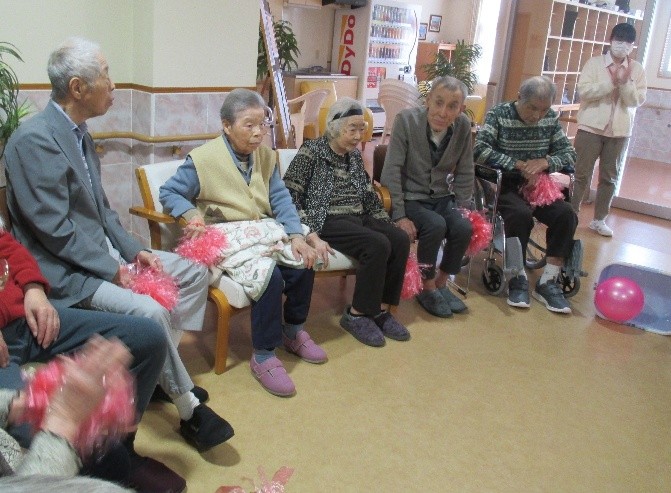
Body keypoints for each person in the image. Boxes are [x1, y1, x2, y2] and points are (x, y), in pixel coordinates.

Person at [2, 37, 233, 455]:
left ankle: (159, 373)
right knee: (150, 311)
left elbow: (103, 210)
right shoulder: (33, 140)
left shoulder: (79, 133)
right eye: (106, 75)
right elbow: (54, 230)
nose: (113, 84)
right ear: (78, 88)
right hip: (65, 270)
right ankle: (189, 408)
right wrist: (114, 271)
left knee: (194, 273)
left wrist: (132, 251)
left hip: (101, 255)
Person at [159, 88, 325, 398]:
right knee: (269, 276)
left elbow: (280, 198)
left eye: (262, 124)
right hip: (228, 238)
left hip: (263, 232)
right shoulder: (204, 159)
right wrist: (191, 215)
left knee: (303, 260)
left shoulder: (265, 156)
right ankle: (263, 355)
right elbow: (170, 192)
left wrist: (296, 235)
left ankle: (293, 330)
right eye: (249, 125)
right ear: (226, 125)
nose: (258, 133)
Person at [0, 221, 181, 491]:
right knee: (68, 439)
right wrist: (60, 417)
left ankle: (121, 450)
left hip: (27, 320)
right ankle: (103, 464)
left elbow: (8, 247)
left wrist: (33, 288)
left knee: (148, 337)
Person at [283, 97, 411, 347]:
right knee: (377, 244)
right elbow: (290, 193)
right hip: (326, 218)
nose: (358, 136)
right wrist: (307, 229)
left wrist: (386, 222)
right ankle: (357, 315)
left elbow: (368, 195)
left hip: (357, 215)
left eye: (361, 129)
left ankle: (381, 310)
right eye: (352, 129)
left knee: (398, 238)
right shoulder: (311, 152)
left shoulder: (353, 156)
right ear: (334, 126)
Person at [473, 76, 578, 314]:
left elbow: (569, 154)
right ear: (519, 97)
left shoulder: (550, 119)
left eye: (544, 110)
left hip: (539, 183)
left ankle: (548, 280)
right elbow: (480, 150)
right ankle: (517, 275)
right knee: (519, 215)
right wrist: (519, 165)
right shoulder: (499, 115)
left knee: (566, 215)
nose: (537, 116)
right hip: (505, 182)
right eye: (532, 108)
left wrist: (545, 162)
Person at [380, 75, 473, 319]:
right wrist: (399, 215)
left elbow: (465, 170)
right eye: (438, 102)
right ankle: (426, 285)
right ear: (428, 100)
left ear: (461, 109)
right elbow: (391, 171)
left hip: (442, 196)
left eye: (452, 106)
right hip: (411, 197)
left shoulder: (463, 126)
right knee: (435, 224)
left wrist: (463, 208)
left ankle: (442, 282)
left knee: (463, 226)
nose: (443, 112)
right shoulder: (406, 121)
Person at [1, 336, 130, 479]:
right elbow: (31, 487)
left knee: (114, 455)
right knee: (110, 461)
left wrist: (26, 403)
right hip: (23, 478)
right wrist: (64, 418)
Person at [570, 23, 647, 237]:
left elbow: (636, 100)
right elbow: (584, 92)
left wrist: (625, 84)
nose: (622, 45)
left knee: (609, 178)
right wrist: (611, 83)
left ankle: (599, 220)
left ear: (632, 45)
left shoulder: (637, 69)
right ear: (611, 40)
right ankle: (571, 215)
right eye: (619, 40)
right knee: (580, 174)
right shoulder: (594, 63)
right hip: (590, 128)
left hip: (619, 132)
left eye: (627, 42)